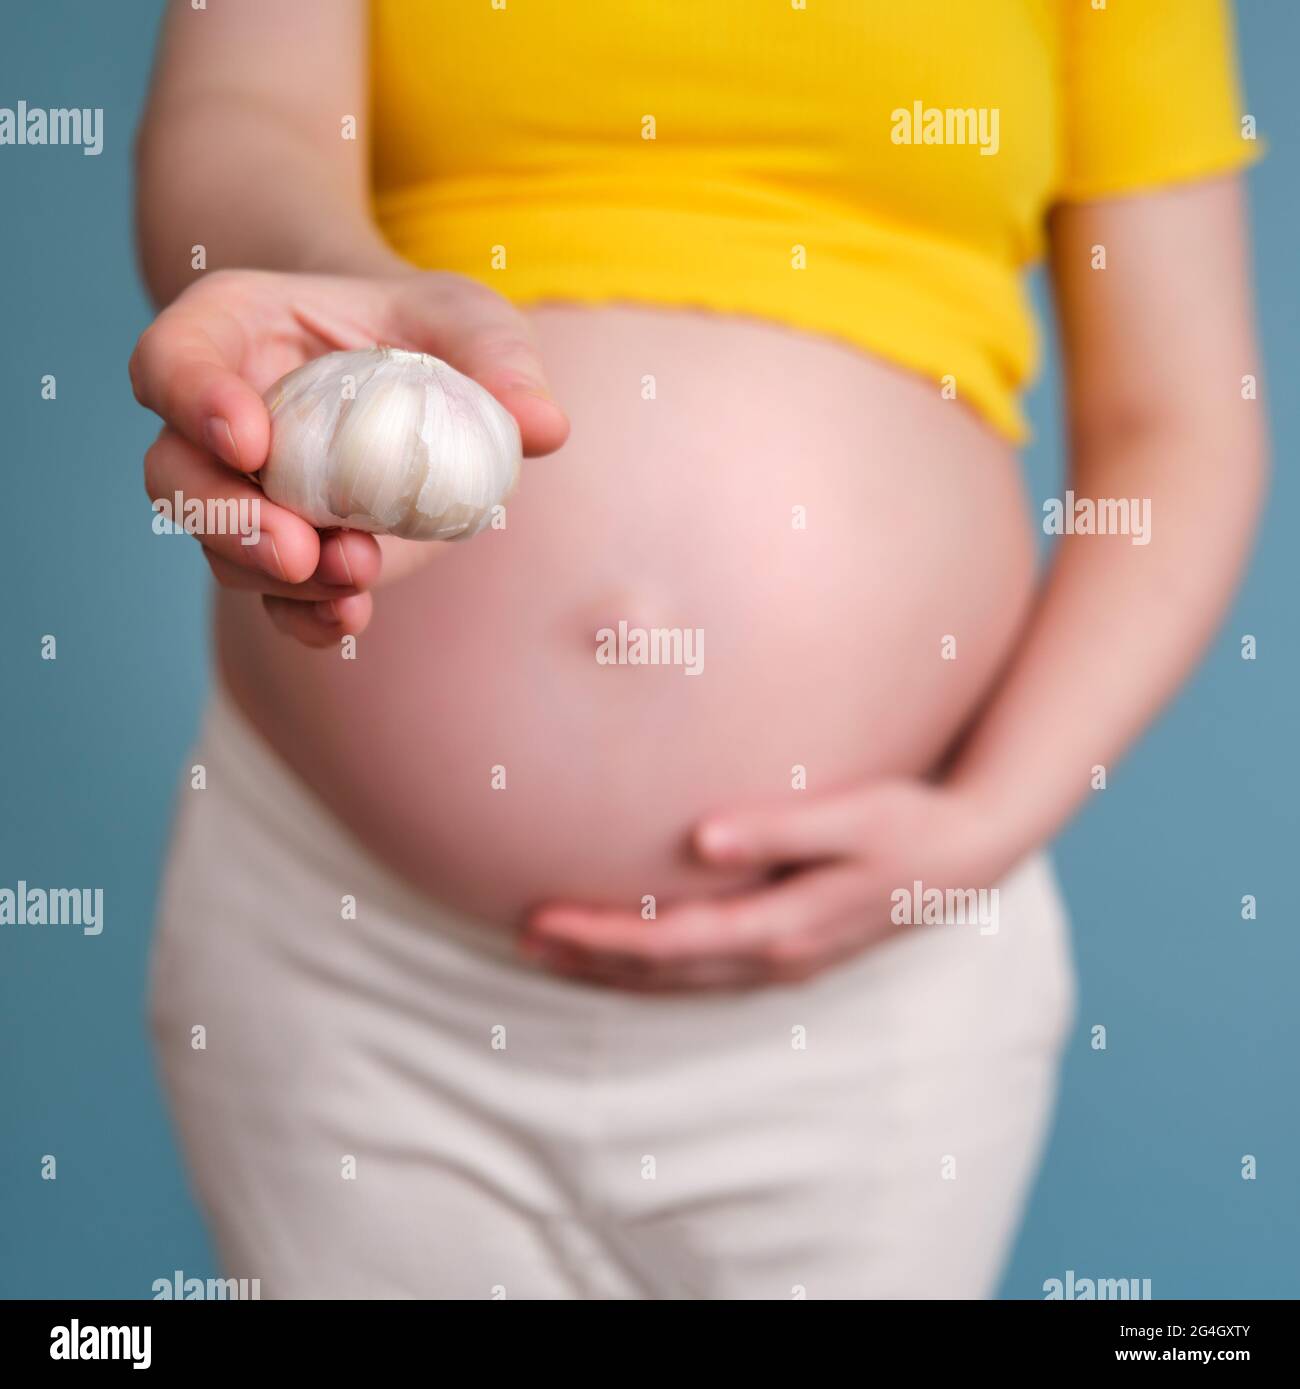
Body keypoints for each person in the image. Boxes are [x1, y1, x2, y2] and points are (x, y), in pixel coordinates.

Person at [133, 0, 1266, 1298]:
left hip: (869, 1006)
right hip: (355, 964)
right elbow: (239, 118)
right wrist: (332, 284)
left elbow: (1181, 422)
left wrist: (987, 824)